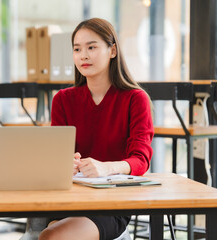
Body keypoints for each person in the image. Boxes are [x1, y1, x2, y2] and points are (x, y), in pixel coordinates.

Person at [39, 18, 154, 240]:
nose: (83, 55)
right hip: (70, 197)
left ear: (112, 51)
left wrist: (106, 168)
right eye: (77, 49)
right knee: (50, 235)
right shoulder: (63, 99)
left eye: (92, 47)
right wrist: (65, 163)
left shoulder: (135, 99)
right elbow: (56, 156)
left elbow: (141, 160)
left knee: (52, 237)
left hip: (112, 202)